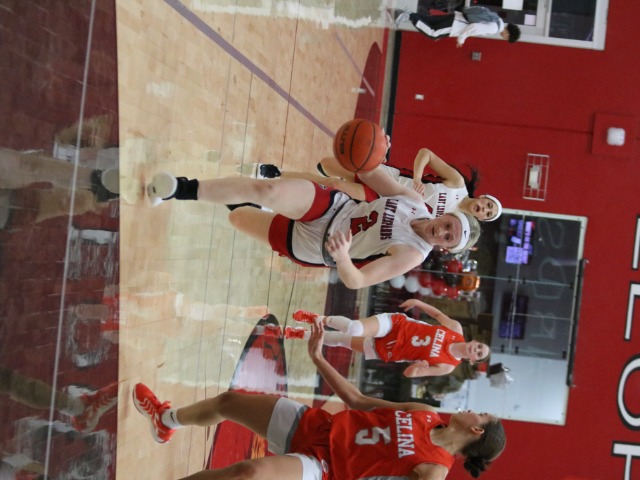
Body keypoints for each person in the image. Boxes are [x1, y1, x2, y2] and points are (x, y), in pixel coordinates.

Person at [132, 319, 506, 479]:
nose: (473, 409)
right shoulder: (425, 413)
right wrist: (318, 358)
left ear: (476, 430)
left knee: (248, 473)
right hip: (319, 427)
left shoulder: (434, 470)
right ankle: (165, 420)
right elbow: (359, 401)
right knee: (229, 401)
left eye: (481, 414)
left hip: (324, 469)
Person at [146, 169, 481, 289]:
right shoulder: (415, 202)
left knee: (238, 217)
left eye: (448, 238)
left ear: (445, 248)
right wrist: (371, 154)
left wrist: (343, 257)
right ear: (447, 215)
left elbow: (357, 281)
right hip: (333, 208)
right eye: (448, 225)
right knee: (268, 190)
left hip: (316, 246)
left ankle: (239, 201)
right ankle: (178, 188)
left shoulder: (411, 255)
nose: (442, 232)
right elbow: (372, 175)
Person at [255, 147, 503, 222]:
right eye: (488, 205)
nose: (485, 209)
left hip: (385, 201)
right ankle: (287, 182)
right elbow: (425, 153)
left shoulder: (454, 224)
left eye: (488, 214)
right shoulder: (457, 183)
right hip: (388, 177)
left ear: (481, 219)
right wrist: (417, 179)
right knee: (326, 164)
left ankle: (276, 176)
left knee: (331, 184)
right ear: (485, 198)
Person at [281, 298, 490, 377]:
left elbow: (409, 374)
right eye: (479, 346)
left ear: (473, 360)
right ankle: (317, 318)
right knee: (354, 328)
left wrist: (418, 368)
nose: (477, 349)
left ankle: (301, 334)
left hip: (390, 350)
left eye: (479, 354)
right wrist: (418, 303)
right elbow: (437, 314)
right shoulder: (455, 328)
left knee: (340, 341)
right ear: (474, 341)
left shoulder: (447, 367)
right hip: (397, 325)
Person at [395, 7, 521, 47]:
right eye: (507, 38)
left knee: (431, 21)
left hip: (457, 17)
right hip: (456, 26)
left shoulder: (497, 19)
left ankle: (407, 14)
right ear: (508, 34)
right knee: (433, 33)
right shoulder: (494, 29)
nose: (504, 38)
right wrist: (461, 39)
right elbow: (474, 27)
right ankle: (408, 15)